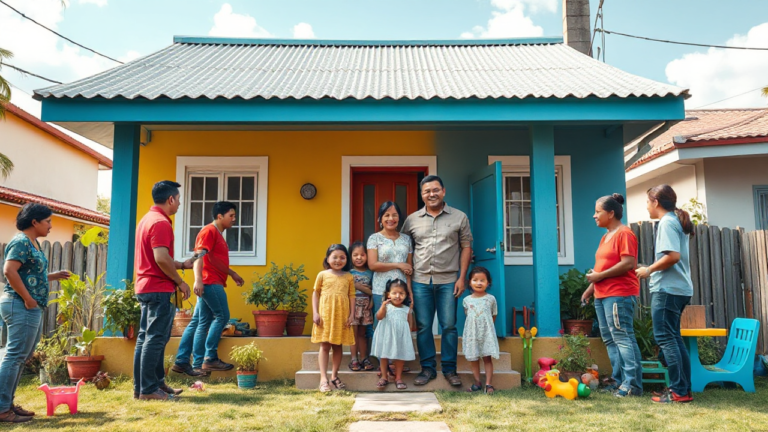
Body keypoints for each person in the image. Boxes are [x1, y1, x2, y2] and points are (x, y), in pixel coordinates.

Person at [0, 204, 70, 423]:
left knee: (21, 356)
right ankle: (2, 409)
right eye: (48, 221)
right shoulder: (21, 241)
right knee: (15, 356)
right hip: (20, 304)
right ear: (34, 222)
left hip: (28, 306)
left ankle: (7, 404)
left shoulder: (32, 243)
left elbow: (28, 275)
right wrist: (28, 299)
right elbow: (9, 271)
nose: (50, 226)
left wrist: (52, 276)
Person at [402, 175, 472, 387]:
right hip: (420, 281)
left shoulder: (459, 217)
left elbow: (466, 247)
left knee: (449, 326)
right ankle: (427, 369)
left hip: (449, 280)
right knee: (423, 326)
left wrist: (462, 278)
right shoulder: (412, 220)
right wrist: (407, 283)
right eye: (426, 191)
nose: (431, 194)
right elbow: (406, 250)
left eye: (435, 190)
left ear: (443, 191)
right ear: (421, 194)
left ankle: (450, 369)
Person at [133, 180, 194, 401]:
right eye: (178, 199)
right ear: (170, 199)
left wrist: (182, 264)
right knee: (156, 338)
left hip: (145, 286)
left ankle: (147, 386)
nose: (179, 204)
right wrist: (180, 281)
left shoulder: (146, 220)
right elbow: (160, 258)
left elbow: (159, 257)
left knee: (146, 338)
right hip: (158, 288)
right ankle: (149, 390)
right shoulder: (161, 223)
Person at [636, 185, 695, 404]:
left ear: (655, 202)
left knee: (666, 339)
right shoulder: (674, 221)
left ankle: (679, 391)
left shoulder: (667, 222)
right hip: (678, 289)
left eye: (647, 201)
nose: (646, 206)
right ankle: (683, 390)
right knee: (674, 339)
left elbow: (673, 256)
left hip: (668, 290)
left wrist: (649, 270)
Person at [581, 193, 643, 397]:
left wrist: (599, 276)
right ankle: (618, 381)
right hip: (602, 295)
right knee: (610, 339)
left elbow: (628, 263)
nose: (594, 216)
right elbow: (602, 266)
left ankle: (632, 385)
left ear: (610, 213)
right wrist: (590, 289)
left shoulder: (625, 234)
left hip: (619, 294)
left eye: (597, 212)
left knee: (623, 337)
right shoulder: (606, 236)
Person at [172, 201, 245, 377]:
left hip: (211, 280)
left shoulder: (217, 234)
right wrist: (198, 280)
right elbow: (199, 256)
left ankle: (187, 363)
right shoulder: (209, 231)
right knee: (222, 316)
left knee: (200, 321)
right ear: (220, 216)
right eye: (231, 215)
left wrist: (232, 273)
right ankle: (210, 357)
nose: (234, 219)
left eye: (234, 216)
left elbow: (215, 261)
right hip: (209, 282)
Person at [311, 244, 356, 392]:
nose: (338, 260)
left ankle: (334, 376)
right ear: (328, 259)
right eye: (334, 257)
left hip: (342, 316)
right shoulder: (322, 275)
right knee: (324, 346)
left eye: (342, 257)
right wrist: (315, 312)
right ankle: (323, 379)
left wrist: (352, 314)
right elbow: (316, 293)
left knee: (338, 346)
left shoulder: (348, 276)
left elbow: (352, 296)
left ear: (347, 259)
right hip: (325, 315)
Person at [367, 201, 414, 318]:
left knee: (401, 323)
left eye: (394, 215)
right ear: (380, 219)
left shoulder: (406, 239)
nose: (391, 219)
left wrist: (409, 290)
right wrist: (398, 265)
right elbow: (373, 265)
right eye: (386, 215)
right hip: (381, 290)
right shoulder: (374, 238)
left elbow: (408, 268)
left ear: (399, 218)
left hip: (401, 292)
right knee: (382, 323)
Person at [370, 279, 416, 390]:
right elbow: (379, 317)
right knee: (384, 355)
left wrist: (408, 337)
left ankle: (398, 378)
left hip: (400, 337)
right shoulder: (386, 307)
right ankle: (384, 376)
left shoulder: (407, 309)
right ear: (388, 294)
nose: (398, 296)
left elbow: (410, 324)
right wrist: (383, 306)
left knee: (400, 357)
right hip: (386, 336)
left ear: (406, 295)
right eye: (394, 293)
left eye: (401, 293)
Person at [462, 266, 499, 395]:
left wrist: (487, 329)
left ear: (488, 283)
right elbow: (468, 315)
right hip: (472, 333)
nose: (479, 283)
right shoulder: (466, 300)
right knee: (474, 358)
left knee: (487, 358)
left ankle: (488, 384)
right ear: (469, 282)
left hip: (486, 334)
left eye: (482, 280)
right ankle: (477, 382)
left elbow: (494, 315)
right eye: (475, 280)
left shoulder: (491, 299)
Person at [348, 242, 375, 372]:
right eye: (355, 255)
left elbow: (374, 290)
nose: (359, 258)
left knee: (363, 334)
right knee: (353, 334)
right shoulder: (348, 274)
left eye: (362, 255)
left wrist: (372, 300)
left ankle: (364, 358)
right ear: (350, 256)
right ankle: (354, 359)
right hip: (352, 307)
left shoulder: (371, 273)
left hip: (365, 308)